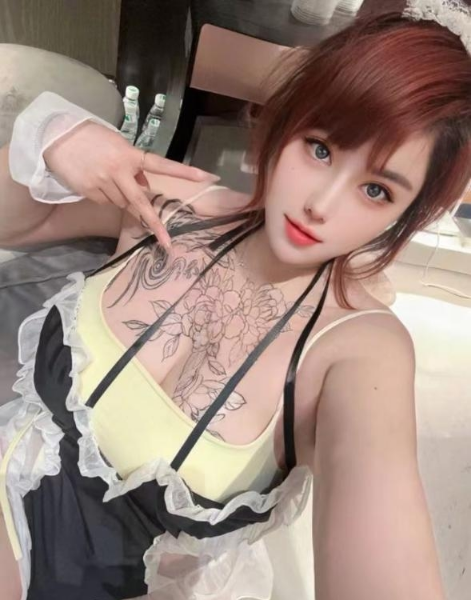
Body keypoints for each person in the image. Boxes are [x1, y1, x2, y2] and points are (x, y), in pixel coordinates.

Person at [1, 2, 470, 598]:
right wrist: (52, 140)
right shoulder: (173, 203)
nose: (320, 204)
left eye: (376, 190)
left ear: (407, 215)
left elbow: (383, 534)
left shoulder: (359, 350)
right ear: (286, 121)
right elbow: (16, 221)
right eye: (321, 148)